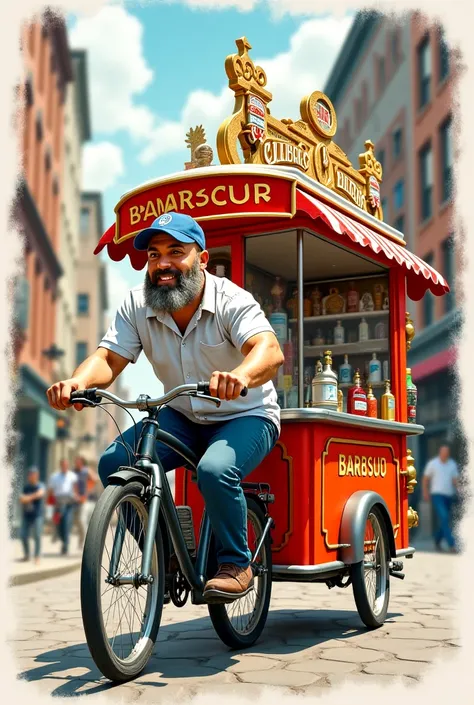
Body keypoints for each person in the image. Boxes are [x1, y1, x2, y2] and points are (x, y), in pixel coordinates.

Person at [46, 211, 283, 602]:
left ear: (202, 259)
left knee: (215, 469)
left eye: (176, 251)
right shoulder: (138, 305)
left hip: (246, 414)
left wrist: (239, 375)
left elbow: (268, 351)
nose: (163, 264)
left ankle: (237, 563)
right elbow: (108, 359)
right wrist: (77, 382)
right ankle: (166, 554)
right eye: (154, 255)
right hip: (184, 414)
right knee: (112, 463)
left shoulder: (231, 300)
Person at [422, 444, 459, 553]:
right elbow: (425, 479)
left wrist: (461, 490)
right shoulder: (433, 463)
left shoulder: (452, 464)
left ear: (448, 453)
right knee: (444, 517)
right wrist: (425, 492)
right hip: (437, 495)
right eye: (443, 452)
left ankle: (437, 540)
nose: (445, 454)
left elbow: (455, 480)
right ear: (440, 452)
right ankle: (452, 545)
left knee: (445, 520)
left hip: (448, 495)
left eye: (446, 452)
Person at [48, 459, 80, 556]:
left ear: (68, 466)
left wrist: (77, 496)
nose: (64, 467)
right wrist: (51, 502)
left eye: (66, 465)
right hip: (58, 503)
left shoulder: (72, 476)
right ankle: (62, 540)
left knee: (66, 523)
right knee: (58, 525)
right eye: (63, 465)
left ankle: (65, 546)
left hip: (69, 503)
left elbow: (75, 488)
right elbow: (50, 491)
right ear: (60, 465)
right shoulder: (54, 477)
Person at [19, 467, 45, 564]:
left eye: (33, 474)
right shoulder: (26, 487)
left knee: (37, 535)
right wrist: (32, 497)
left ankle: (37, 556)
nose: (31, 476)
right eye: (30, 474)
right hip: (27, 515)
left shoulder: (40, 485)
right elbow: (21, 499)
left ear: (37, 476)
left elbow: (40, 494)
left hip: (37, 515)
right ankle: (26, 555)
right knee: (23, 535)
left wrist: (28, 498)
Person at [72, 456, 99, 548]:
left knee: (82, 520)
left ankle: (85, 542)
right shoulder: (74, 472)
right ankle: (82, 540)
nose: (77, 463)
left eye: (78, 462)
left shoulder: (86, 470)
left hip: (86, 500)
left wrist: (87, 490)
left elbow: (95, 479)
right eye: (76, 462)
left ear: (82, 463)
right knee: (78, 522)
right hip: (76, 500)